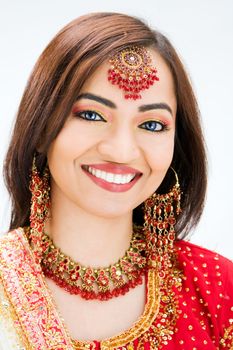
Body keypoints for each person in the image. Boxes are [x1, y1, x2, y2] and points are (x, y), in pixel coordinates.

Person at [0, 12, 232, 350]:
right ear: (41, 129)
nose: (122, 151)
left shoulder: (217, 287)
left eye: (152, 124)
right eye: (91, 115)